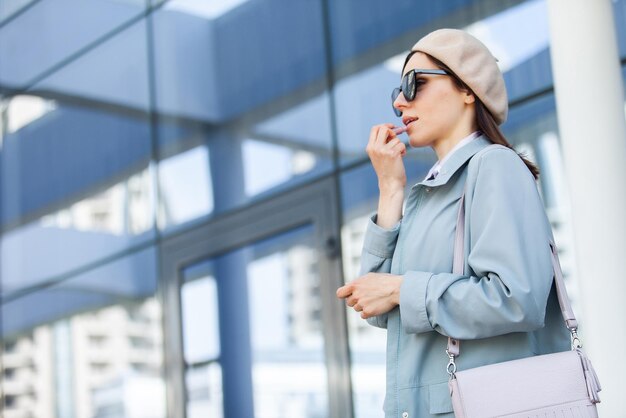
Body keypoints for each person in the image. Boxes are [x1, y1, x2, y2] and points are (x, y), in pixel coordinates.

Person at [336, 29, 569, 418]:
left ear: (467, 89)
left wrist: (402, 289)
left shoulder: (494, 166)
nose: (399, 101)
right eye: (398, 90)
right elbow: (375, 304)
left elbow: (517, 298)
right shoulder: (429, 195)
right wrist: (390, 189)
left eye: (415, 84)